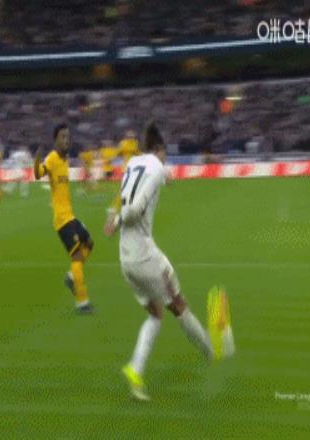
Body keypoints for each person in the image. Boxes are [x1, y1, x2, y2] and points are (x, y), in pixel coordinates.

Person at [104, 122, 234, 401]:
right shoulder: (155, 167)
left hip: (125, 258)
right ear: (160, 150)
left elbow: (127, 193)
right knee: (178, 305)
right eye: (165, 156)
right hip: (144, 255)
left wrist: (113, 217)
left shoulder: (134, 163)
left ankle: (135, 369)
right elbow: (134, 209)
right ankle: (211, 350)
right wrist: (120, 218)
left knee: (155, 314)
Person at [34, 124, 94, 314]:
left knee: (89, 243)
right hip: (62, 220)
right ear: (56, 140)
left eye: (68, 137)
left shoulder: (65, 160)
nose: (66, 140)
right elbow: (38, 174)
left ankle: (71, 276)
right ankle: (82, 302)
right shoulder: (52, 158)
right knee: (76, 257)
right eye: (62, 137)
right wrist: (36, 159)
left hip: (71, 216)